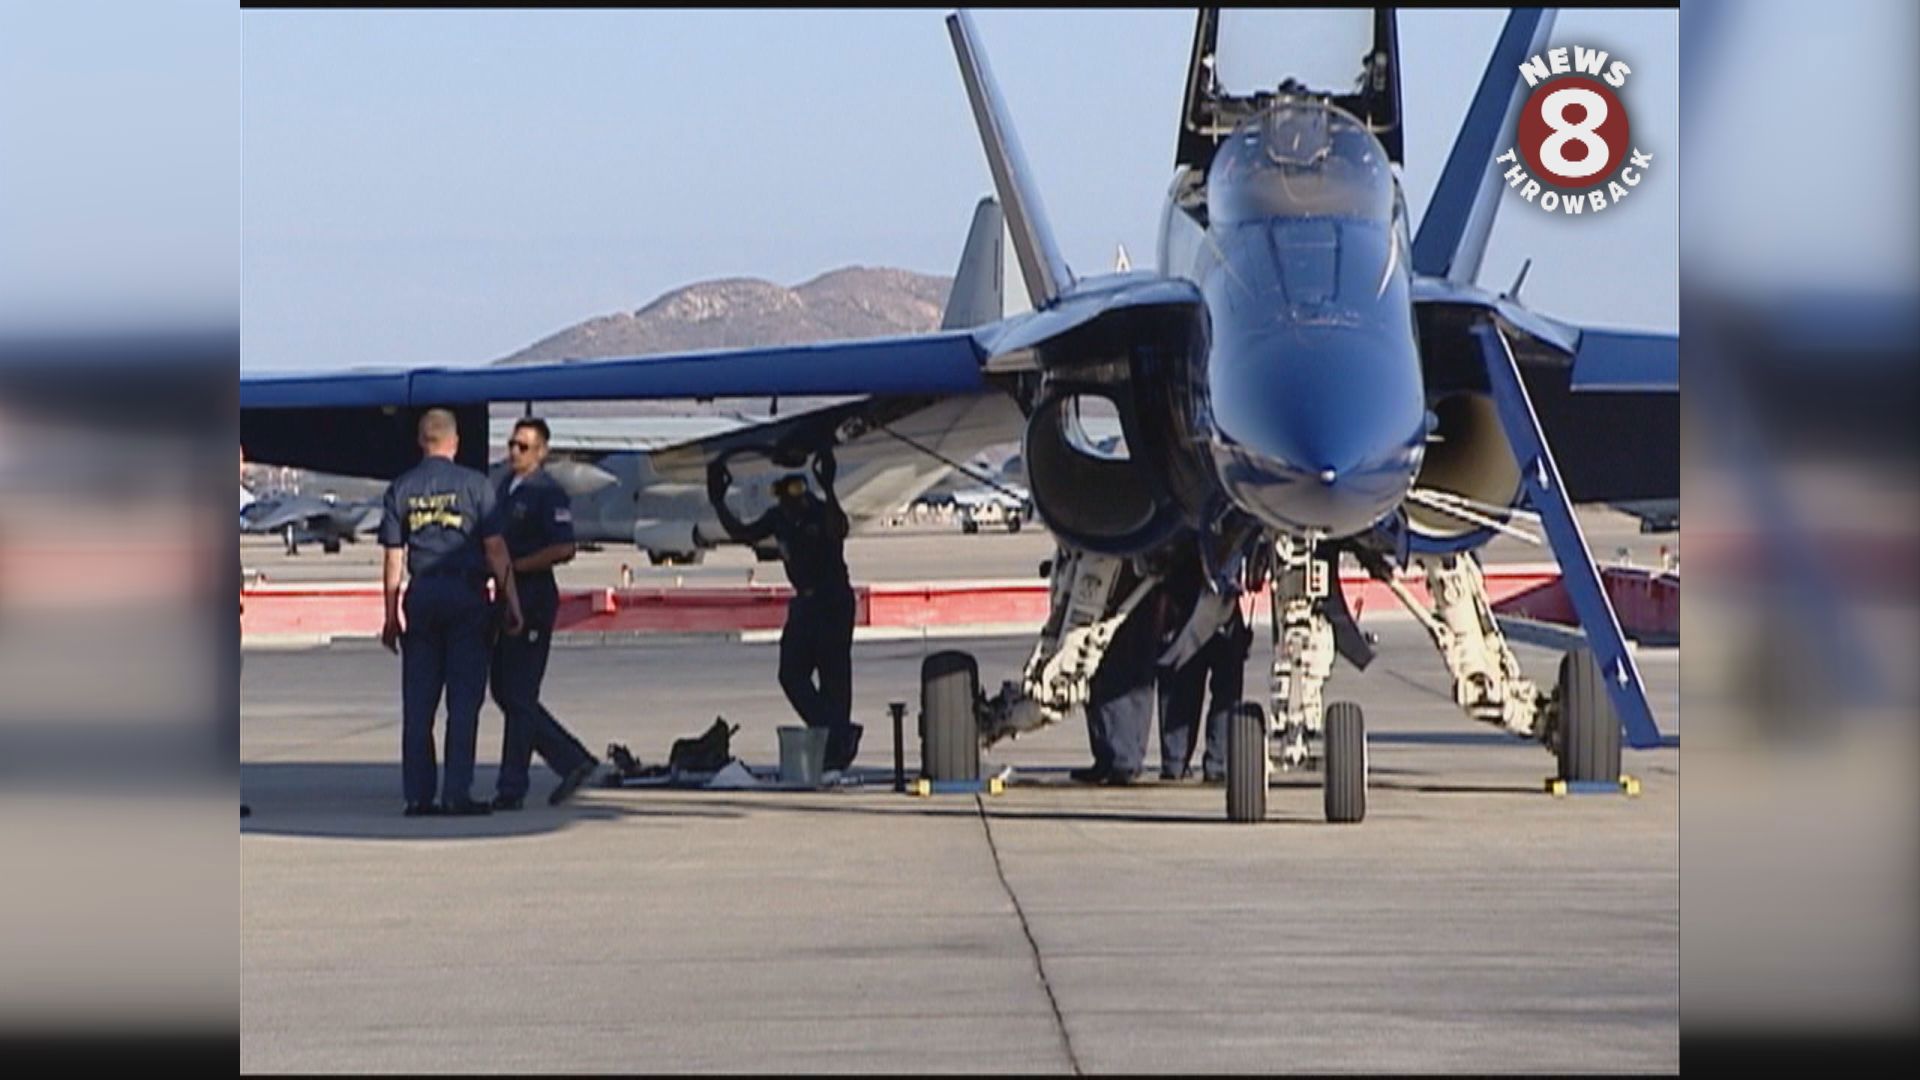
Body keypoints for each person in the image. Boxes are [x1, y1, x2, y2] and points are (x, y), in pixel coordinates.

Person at [379, 408, 523, 817]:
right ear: (454, 442)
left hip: (422, 594)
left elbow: (393, 559)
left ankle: (418, 795)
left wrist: (391, 616)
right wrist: (511, 603)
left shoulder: (402, 488)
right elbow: (495, 549)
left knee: (418, 706)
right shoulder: (476, 486)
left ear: (421, 442)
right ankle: (456, 792)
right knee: (463, 704)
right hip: (466, 596)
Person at [706, 448, 862, 773]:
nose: (790, 501)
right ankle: (836, 734)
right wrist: (718, 502)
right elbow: (744, 533)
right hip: (806, 602)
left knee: (835, 680)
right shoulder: (779, 518)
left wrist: (830, 488)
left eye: (795, 494)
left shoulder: (820, 513)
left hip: (832, 601)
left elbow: (840, 528)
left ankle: (834, 743)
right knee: (791, 673)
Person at [488, 418, 599, 810]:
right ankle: (571, 759)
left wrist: (518, 566)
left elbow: (564, 547)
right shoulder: (505, 487)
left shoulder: (546, 493)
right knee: (503, 689)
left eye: (523, 447)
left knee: (518, 693)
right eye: (512, 444)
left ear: (542, 452)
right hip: (506, 594)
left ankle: (514, 785)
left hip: (532, 596)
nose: (514, 452)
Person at [1156, 547, 1252, 783]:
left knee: (1182, 690)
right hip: (1220, 604)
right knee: (1224, 692)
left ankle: (1177, 761)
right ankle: (1215, 762)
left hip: (1189, 602)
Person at [1070, 559, 1161, 787]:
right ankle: (1107, 757)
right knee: (1098, 676)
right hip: (1109, 590)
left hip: (1133, 595)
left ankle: (1124, 759)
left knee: (1124, 681)